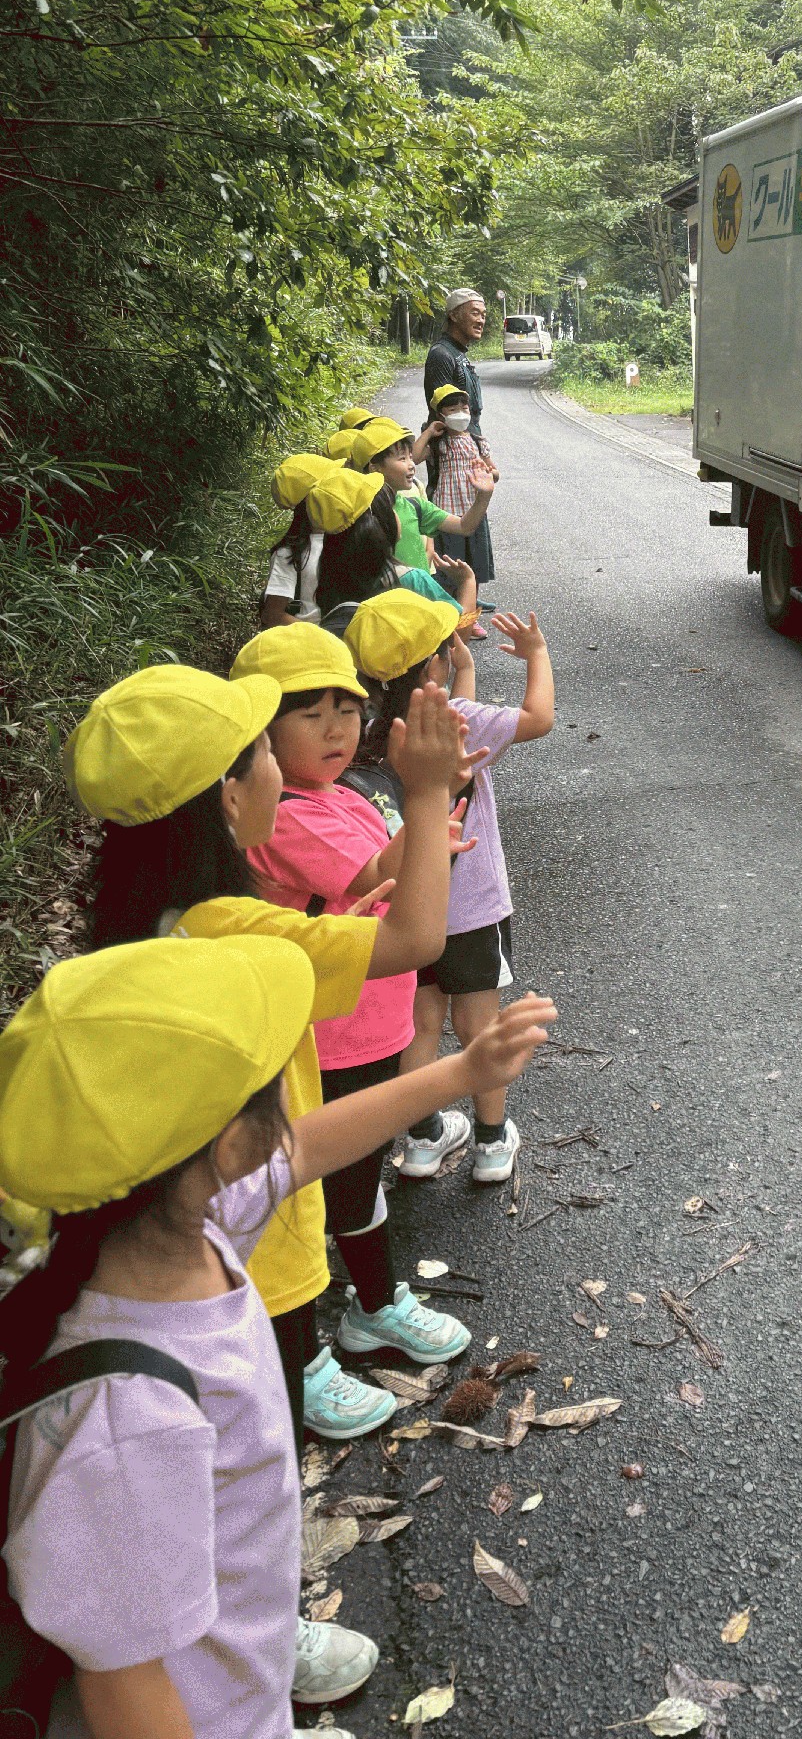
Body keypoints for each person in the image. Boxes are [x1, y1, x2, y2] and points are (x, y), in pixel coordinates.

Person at [0, 933, 553, 1739]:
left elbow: (306, 1147)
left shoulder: (172, 1225)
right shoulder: (129, 1424)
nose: (293, 1097)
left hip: (239, 1674)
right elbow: (123, 1683)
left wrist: (463, 1073)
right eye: (277, 1080)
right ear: (231, 1145)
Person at [68, 651, 468, 1461]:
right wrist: (426, 795)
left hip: (172, 1228)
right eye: (262, 751)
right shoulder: (240, 936)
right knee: (262, 1426)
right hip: (255, 1207)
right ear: (229, 796)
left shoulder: (142, 925)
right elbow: (415, 938)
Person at [242, 627, 488, 1376]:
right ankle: (354, 1320)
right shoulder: (288, 814)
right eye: (310, 714)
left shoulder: (340, 794)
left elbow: (397, 861)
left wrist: (432, 805)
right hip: (335, 1034)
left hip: (372, 1017)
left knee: (356, 1174)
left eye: (346, 711)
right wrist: (430, 798)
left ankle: (363, 1306)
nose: (335, 730)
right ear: (260, 732)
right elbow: (374, 874)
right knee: (340, 1180)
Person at [343, 594, 554, 1185]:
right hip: (470, 908)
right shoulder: (457, 717)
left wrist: (461, 670)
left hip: (408, 911)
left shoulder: (363, 729)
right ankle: (491, 1141)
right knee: (479, 1025)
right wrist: (537, 654)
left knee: (421, 1023)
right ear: (434, 662)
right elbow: (538, 717)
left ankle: (423, 1139)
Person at [351, 415, 493, 630]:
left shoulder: (414, 505)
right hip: (388, 618)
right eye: (402, 459)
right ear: (374, 467)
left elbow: (464, 526)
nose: (412, 465)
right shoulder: (357, 514)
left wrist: (484, 496)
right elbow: (461, 624)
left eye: (411, 457)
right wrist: (467, 582)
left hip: (418, 615)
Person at [305, 467, 458, 634]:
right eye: (392, 509)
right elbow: (458, 630)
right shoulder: (411, 579)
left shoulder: (330, 574)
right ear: (377, 525)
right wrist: (466, 583)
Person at [417, 382, 498, 605]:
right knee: (449, 563)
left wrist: (488, 473)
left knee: (475, 562)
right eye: (453, 410)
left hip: (474, 509)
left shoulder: (477, 441)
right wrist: (429, 432)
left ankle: (471, 604)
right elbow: (413, 458)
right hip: (446, 510)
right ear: (440, 415)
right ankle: (450, 606)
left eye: (464, 408)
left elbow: (495, 472)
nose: (460, 413)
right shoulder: (437, 444)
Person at [260, 453, 339, 628]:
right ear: (310, 499)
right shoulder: (289, 553)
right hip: (309, 641)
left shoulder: (343, 537)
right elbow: (273, 615)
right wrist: (323, 636)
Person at [423, 288, 486, 435]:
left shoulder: (458, 353)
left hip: (467, 441)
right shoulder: (441, 354)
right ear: (454, 316)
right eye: (475, 313)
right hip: (451, 447)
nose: (480, 321)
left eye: (483, 315)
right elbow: (444, 414)